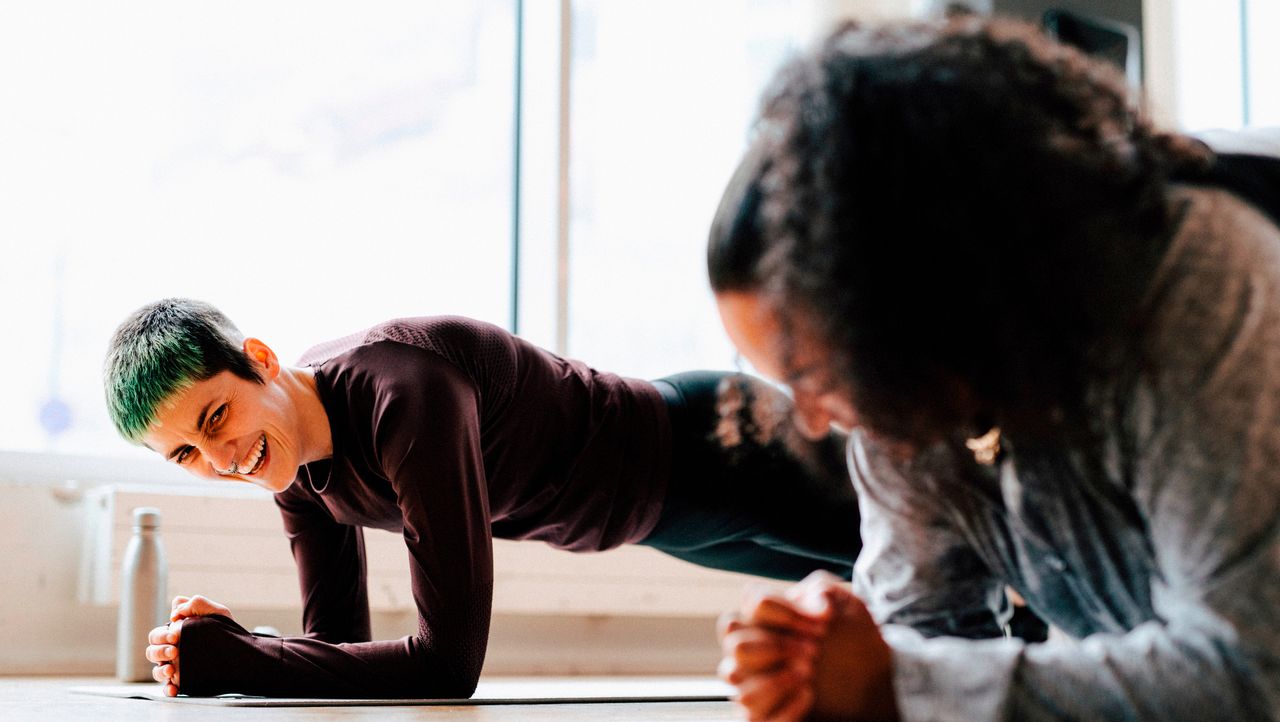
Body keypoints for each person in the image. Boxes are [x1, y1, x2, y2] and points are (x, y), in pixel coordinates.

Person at [708, 17, 1280, 722]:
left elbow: (1253, 678)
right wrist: (821, 670)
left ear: (928, 295)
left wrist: (896, 684)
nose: (816, 420)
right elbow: (924, 637)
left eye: (818, 376)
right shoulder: (906, 397)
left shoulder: (1199, 281)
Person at [103, 299, 860, 698]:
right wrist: (242, 646)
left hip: (718, 446)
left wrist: (243, 663)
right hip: (664, 520)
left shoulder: (402, 394)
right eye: (187, 455)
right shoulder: (293, 466)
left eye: (215, 419)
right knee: (912, 594)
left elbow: (447, 666)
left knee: (960, 575)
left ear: (259, 361)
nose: (222, 459)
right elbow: (339, 649)